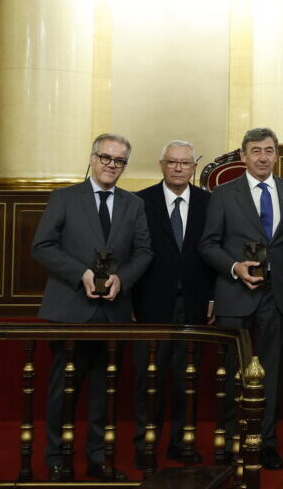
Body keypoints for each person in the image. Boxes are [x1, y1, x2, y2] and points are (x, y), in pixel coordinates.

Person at [34, 133, 152, 481]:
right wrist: (81, 273)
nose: (111, 165)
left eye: (119, 161)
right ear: (92, 157)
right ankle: (57, 457)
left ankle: (98, 457)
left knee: (105, 391)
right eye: (105, 157)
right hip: (70, 308)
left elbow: (144, 251)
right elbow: (42, 246)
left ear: (124, 166)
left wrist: (122, 279)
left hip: (113, 312)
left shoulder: (134, 204)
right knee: (64, 390)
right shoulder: (64, 197)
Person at [199, 127, 283, 471]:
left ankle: (266, 443)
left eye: (269, 150)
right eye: (256, 150)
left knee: (270, 373)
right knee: (235, 373)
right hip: (235, 294)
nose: (263, 157)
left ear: (277, 155)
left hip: (277, 296)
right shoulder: (224, 194)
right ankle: (234, 440)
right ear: (243, 156)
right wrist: (234, 267)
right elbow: (208, 244)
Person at [132, 140, 213, 469]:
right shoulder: (140, 201)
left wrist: (213, 297)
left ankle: (182, 443)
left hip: (194, 304)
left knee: (186, 380)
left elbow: (214, 252)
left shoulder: (209, 202)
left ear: (194, 167)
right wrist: (132, 300)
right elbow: (131, 252)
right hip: (151, 305)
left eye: (185, 163)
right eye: (172, 162)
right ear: (161, 165)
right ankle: (146, 443)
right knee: (148, 380)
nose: (179, 168)